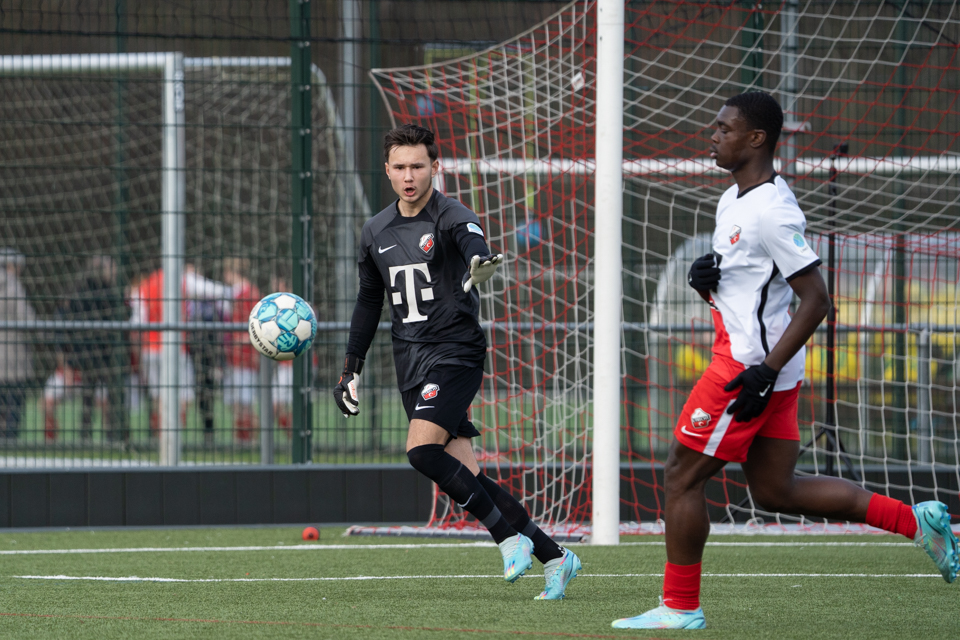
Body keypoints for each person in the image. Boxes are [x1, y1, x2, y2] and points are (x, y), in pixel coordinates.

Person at [611, 92, 960, 630]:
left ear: (756, 139)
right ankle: (915, 520)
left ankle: (680, 608)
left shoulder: (774, 209)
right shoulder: (734, 199)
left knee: (680, 477)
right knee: (776, 489)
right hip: (763, 364)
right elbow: (754, 290)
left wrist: (765, 373)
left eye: (725, 128)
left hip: (746, 368)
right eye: (715, 126)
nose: (713, 135)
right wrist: (705, 283)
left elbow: (817, 298)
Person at [333, 124, 581, 599]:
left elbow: (473, 243)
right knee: (471, 475)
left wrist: (480, 261)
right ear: (387, 170)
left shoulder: (452, 215)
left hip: (455, 352)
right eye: (400, 167)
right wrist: (351, 367)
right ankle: (555, 556)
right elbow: (369, 303)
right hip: (409, 358)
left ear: (435, 167)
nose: (409, 176)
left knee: (421, 452)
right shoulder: (375, 231)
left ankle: (509, 540)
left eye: (418, 166)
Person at [131, 264, 232, 438]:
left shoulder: (145, 285)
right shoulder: (183, 279)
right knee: (184, 395)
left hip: (151, 349)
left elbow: (137, 321)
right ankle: (173, 433)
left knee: (158, 396)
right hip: (176, 349)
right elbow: (217, 290)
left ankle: (162, 437)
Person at [46, 256, 129, 443]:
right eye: (111, 269)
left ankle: (87, 435)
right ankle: (111, 436)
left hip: (86, 353)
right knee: (107, 396)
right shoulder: (105, 293)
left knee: (90, 396)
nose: (114, 273)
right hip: (102, 353)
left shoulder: (78, 291)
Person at [221, 258, 261, 444]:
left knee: (245, 403)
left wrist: (241, 340)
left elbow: (257, 328)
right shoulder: (235, 294)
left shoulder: (250, 294)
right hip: (235, 358)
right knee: (236, 403)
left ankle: (249, 440)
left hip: (245, 358)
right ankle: (242, 439)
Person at [0, 248, 35, 440]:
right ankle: (10, 441)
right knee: (14, 405)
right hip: (13, 355)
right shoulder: (13, 286)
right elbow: (27, 318)